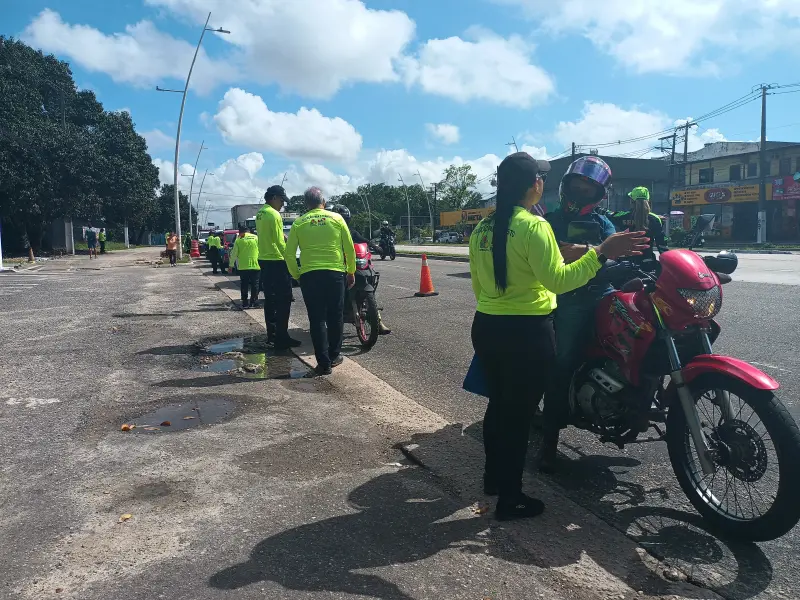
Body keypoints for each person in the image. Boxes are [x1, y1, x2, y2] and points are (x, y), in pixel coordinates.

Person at [469, 152, 648, 521]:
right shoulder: (536, 227)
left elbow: (480, 284)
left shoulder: (481, 228)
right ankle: (511, 498)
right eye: (542, 180)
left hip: (486, 325)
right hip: (527, 331)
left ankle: (493, 479)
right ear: (534, 185)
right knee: (518, 417)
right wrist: (600, 253)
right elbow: (560, 281)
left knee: (499, 406)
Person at [539, 155, 627, 472]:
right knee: (562, 362)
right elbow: (552, 257)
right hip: (568, 297)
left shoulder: (605, 223)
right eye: (577, 185)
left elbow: (619, 254)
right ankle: (549, 440)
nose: (581, 191)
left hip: (602, 294)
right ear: (566, 187)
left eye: (589, 188)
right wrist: (595, 254)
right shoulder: (549, 221)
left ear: (599, 194)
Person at [286, 188, 356, 376]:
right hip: (335, 273)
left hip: (310, 275)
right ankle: (334, 356)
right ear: (323, 201)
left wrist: (297, 275)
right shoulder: (337, 219)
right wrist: (351, 271)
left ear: (306, 204)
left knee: (317, 319)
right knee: (336, 316)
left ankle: (323, 364)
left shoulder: (299, 222)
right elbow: (349, 248)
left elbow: (289, 254)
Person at [329, 204, 392, 335]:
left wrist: (374, 246)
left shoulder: (351, 232)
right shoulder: (329, 233)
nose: (343, 222)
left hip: (355, 265)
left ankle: (378, 321)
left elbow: (364, 240)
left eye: (345, 219)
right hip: (337, 266)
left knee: (370, 282)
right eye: (341, 218)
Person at [257, 185, 301, 350]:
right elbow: (279, 242)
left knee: (270, 299)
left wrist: (282, 235)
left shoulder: (261, 213)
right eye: (282, 200)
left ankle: (273, 335)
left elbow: (270, 235)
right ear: (274, 197)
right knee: (284, 299)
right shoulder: (274, 214)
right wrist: (290, 261)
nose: (282, 204)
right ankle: (282, 337)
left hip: (264, 259)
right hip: (277, 260)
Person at [610, 186, 667, 262]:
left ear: (631, 201)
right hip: (648, 262)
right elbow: (662, 245)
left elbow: (608, 215)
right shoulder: (655, 219)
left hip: (626, 263)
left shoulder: (622, 216)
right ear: (648, 201)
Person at [230, 226, 260, 308]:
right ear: (249, 231)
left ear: (241, 232)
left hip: (243, 267)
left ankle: (245, 302)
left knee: (244, 284)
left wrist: (231, 265)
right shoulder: (256, 238)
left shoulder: (239, 239)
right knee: (255, 284)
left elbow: (234, 253)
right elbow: (261, 250)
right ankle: (253, 301)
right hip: (255, 265)